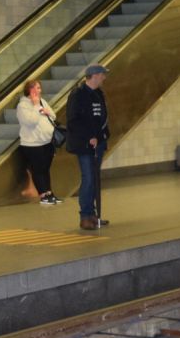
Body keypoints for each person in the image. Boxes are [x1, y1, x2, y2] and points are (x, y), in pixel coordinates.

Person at [65, 64, 111, 230]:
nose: (104, 78)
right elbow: (73, 120)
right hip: (84, 144)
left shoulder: (98, 94)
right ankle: (85, 215)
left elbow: (101, 117)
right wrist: (89, 136)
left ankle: (93, 214)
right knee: (89, 178)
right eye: (102, 75)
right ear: (95, 75)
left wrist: (102, 136)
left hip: (98, 142)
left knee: (94, 179)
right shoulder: (78, 94)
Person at [16, 79, 61, 205]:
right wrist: (36, 106)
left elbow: (53, 116)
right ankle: (43, 195)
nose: (38, 91)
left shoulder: (42, 101)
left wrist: (47, 111)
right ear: (29, 90)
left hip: (47, 141)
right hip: (33, 144)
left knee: (45, 169)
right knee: (38, 170)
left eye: (39, 88)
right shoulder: (23, 106)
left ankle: (49, 193)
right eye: (35, 88)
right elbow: (31, 122)